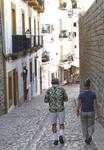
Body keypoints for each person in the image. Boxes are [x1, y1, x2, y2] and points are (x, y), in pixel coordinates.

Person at [44, 78, 68, 145]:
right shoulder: (62, 90)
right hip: (61, 109)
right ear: (58, 83)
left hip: (52, 110)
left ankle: (55, 139)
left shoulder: (48, 90)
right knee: (61, 124)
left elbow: (45, 100)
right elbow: (66, 99)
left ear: (51, 83)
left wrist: (51, 100)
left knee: (53, 125)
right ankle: (61, 135)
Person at [76, 78, 100, 144]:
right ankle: (90, 136)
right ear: (90, 85)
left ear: (84, 85)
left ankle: (86, 137)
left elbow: (79, 104)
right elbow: (95, 104)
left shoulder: (81, 94)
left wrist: (77, 110)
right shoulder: (93, 94)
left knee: (84, 125)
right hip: (91, 112)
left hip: (83, 112)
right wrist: (98, 112)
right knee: (91, 125)